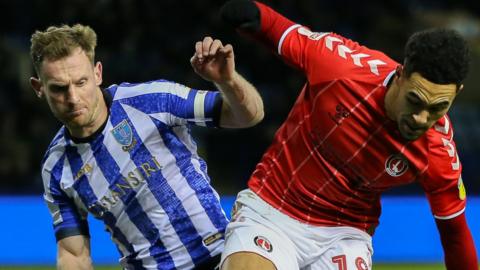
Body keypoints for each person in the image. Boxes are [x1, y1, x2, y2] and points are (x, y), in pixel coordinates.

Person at [218, 1, 478, 269]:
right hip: (273, 209)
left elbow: (454, 234)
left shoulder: (438, 152)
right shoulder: (343, 67)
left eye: (437, 108)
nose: (421, 118)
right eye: (415, 100)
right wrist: (249, 12)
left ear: (455, 93)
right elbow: (277, 29)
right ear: (401, 74)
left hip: (346, 234)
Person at [29, 24, 264, 270]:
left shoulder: (153, 101)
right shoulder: (56, 168)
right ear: (40, 88)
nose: (73, 98)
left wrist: (227, 81)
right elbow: (73, 255)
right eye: (59, 88)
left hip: (219, 256)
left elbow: (249, 116)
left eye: (81, 82)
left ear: (98, 73)